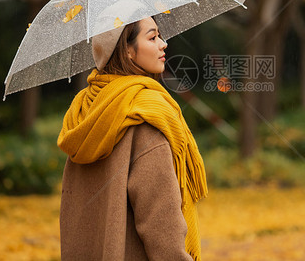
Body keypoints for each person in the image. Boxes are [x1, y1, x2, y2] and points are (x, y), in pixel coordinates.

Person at [57, 16, 208, 260]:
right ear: (126, 50)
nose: (163, 44)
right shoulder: (146, 116)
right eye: (152, 37)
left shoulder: (86, 112)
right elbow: (162, 227)